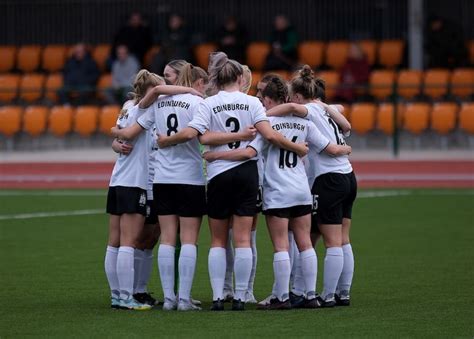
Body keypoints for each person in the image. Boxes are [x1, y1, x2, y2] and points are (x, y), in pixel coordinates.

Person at [155, 52, 309, 311]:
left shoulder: (209, 103)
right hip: (247, 173)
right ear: (240, 78)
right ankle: (240, 296)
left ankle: (217, 297)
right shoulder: (252, 103)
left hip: (218, 174)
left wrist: (217, 153)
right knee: (243, 239)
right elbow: (269, 135)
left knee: (217, 240)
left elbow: (202, 139)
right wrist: (297, 148)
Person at [203, 75, 352, 310]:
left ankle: (281, 297)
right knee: (305, 244)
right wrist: (346, 148)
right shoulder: (307, 123)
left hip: (278, 190)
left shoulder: (267, 126)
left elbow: (248, 154)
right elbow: (330, 147)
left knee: (281, 246)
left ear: (272, 101)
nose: (261, 103)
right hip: (302, 189)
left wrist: (214, 155)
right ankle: (310, 295)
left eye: (264, 99)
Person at [266, 65, 357, 307]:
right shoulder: (325, 108)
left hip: (328, 178)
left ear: (296, 95)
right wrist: (344, 147)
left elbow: (296, 108)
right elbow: (346, 126)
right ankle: (343, 292)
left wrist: (269, 113)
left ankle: (325, 295)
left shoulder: (305, 110)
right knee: (341, 238)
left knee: (329, 241)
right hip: (349, 175)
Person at [104, 69, 164, 311]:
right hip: (135, 183)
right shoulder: (143, 110)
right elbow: (125, 134)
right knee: (129, 242)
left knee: (115, 243)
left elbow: (118, 136)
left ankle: (118, 295)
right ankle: (127, 296)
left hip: (117, 180)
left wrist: (115, 138)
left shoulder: (128, 105)